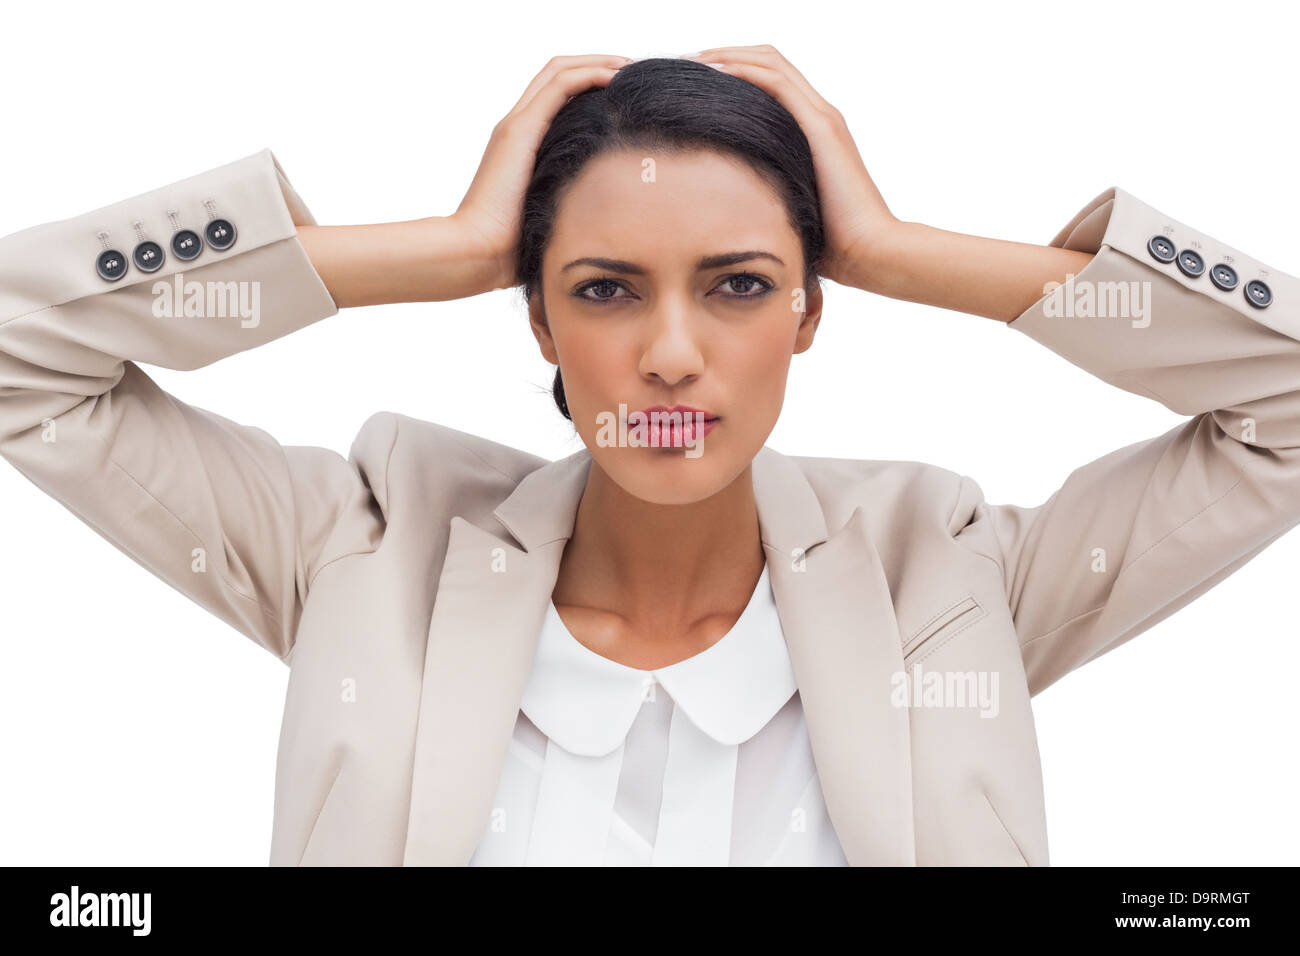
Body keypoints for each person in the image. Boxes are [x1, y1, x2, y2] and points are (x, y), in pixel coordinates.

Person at [1, 48, 1296, 866]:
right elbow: (20, 354)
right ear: (539, 321)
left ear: (811, 311)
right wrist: (439, 250)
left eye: (740, 285)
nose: (672, 356)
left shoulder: (950, 578)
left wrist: (902, 251)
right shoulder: (363, 548)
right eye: (606, 290)